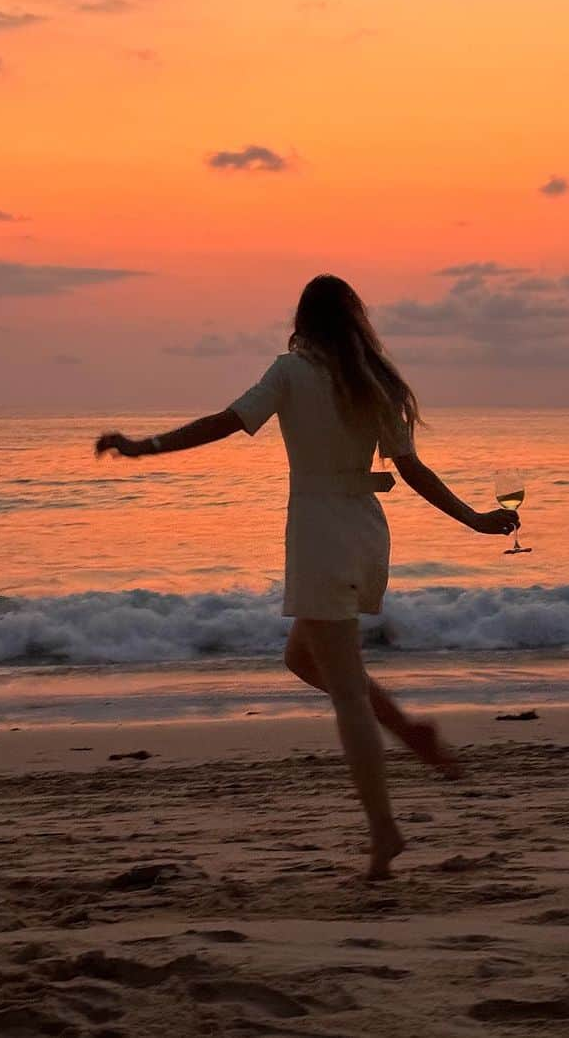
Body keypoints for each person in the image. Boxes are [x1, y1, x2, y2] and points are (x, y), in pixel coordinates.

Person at [96, 274, 519, 879]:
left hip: (320, 539)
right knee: (304, 659)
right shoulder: (372, 381)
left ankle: (385, 833)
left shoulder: (291, 373)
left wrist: (145, 446)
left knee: (346, 693)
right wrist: (474, 519)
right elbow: (413, 471)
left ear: (304, 320)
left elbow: (225, 421)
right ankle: (408, 730)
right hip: (365, 535)